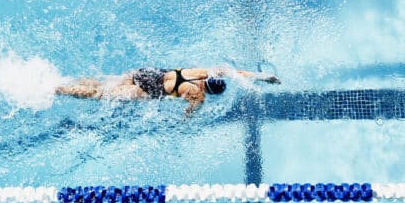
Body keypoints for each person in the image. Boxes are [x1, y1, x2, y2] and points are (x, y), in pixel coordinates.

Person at [55, 65, 279, 115]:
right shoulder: (197, 95)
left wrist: (263, 77)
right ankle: (60, 89)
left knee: (102, 85)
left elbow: (236, 73)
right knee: (100, 95)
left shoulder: (202, 71)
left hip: (147, 73)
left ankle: (66, 80)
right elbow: (188, 115)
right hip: (148, 90)